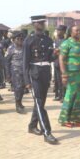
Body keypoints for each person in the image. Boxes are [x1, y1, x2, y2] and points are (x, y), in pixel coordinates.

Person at [23, 15, 58, 145]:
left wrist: (55, 55)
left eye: (43, 22)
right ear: (34, 24)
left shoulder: (48, 40)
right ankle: (47, 132)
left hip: (45, 73)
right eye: (40, 23)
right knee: (38, 102)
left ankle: (32, 125)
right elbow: (25, 62)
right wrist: (26, 80)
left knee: (40, 103)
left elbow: (49, 59)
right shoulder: (29, 40)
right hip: (34, 74)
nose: (43, 24)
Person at [59, 25, 80, 127]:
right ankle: (65, 119)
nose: (79, 32)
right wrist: (64, 74)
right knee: (70, 95)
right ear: (70, 32)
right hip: (71, 74)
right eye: (76, 30)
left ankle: (77, 118)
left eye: (79, 30)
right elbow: (61, 59)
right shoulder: (66, 44)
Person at [5, 31, 25, 114]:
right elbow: (7, 62)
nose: (20, 40)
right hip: (15, 71)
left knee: (23, 88)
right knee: (18, 88)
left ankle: (20, 102)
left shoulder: (25, 47)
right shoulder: (10, 49)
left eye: (21, 38)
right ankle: (17, 105)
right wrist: (8, 75)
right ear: (13, 40)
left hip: (24, 71)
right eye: (18, 39)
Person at [53, 25, 67, 102]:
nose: (58, 32)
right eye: (57, 30)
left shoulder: (65, 41)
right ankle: (58, 95)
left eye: (60, 30)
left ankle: (63, 96)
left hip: (63, 64)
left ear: (64, 32)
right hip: (56, 63)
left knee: (62, 81)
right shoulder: (55, 41)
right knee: (57, 80)